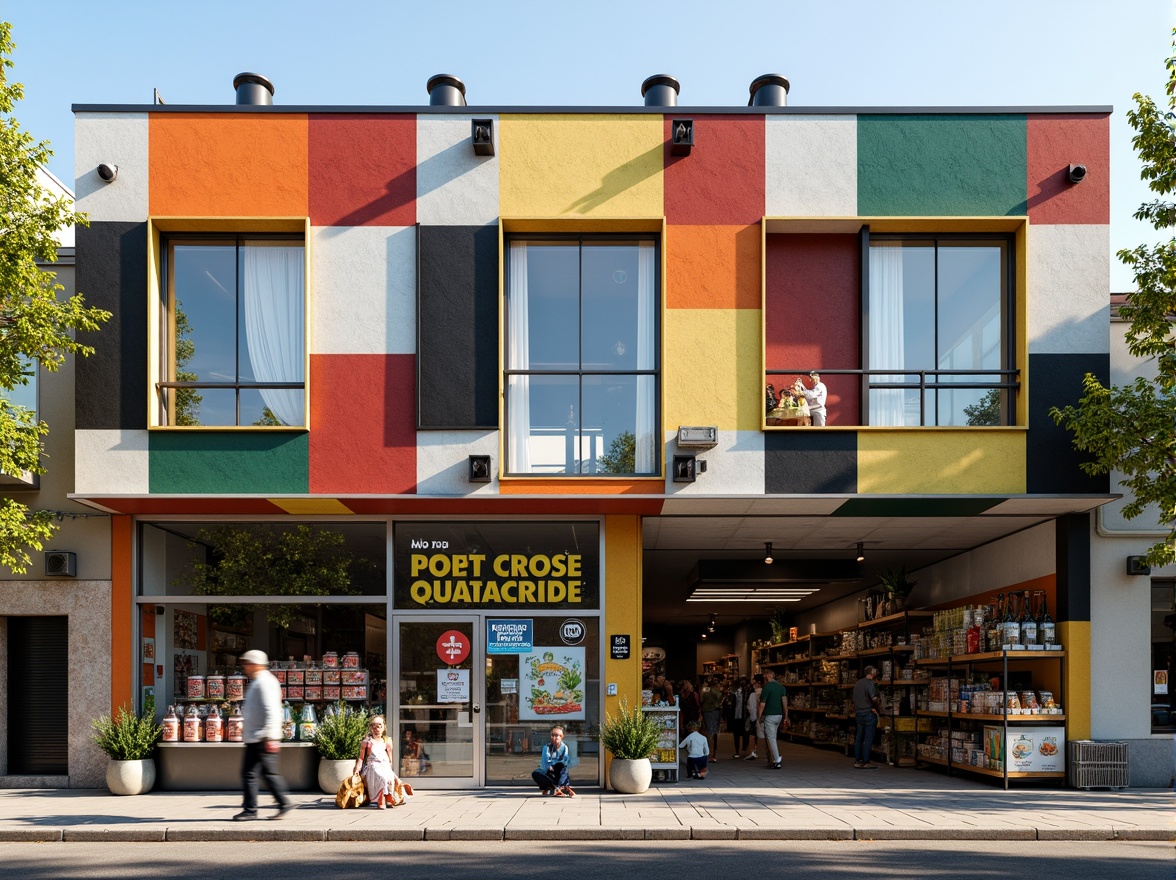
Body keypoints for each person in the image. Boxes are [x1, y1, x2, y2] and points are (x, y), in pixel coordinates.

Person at [234, 649, 293, 821]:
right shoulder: (259, 681)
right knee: (258, 773)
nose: (245, 666)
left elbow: (272, 710)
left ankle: (253, 809)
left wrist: (270, 735)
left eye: (248, 663)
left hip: (262, 737)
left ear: (256, 664)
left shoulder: (265, 682)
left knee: (257, 774)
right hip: (257, 736)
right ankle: (278, 804)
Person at [355, 715, 407, 808]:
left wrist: (390, 770)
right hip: (372, 766)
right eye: (374, 726)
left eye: (379, 725)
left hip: (384, 766)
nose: (377, 728)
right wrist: (357, 769)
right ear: (370, 728)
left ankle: (386, 798)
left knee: (390, 777)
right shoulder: (367, 742)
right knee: (381, 777)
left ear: (384, 727)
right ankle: (383, 798)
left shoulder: (387, 741)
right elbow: (361, 758)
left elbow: (389, 758)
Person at [757, 668, 790, 769]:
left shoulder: (767, 687)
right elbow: (785, 703)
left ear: (767, 675)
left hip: (770, 716)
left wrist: (758, 718)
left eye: (764, 676)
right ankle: (774, 758)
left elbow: (762, 704)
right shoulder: (781, 687)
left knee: (771, 739)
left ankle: (777, 759)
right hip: (779, 716)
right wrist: (786, 716)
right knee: (773, 737)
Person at [531, 725, 574, 797]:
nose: (556, 737)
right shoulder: (547, 747)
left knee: (561, 767)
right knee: (535, 774)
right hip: (548, 771)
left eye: (558, 735)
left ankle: (559, 787)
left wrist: (555, 764)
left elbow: (565, 761)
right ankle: (558, 787)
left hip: (559, 772)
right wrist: (552, 766)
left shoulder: (564, 747)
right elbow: (545, 763)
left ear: (562, 737)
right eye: (553, 735)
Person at [853, 665, 881, 769]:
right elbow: (874, 698)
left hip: (858, 713)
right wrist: (878, 709)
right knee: (868, 738)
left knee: (859, 737)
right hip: (868, 713)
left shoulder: (858, 683)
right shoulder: (869, 683)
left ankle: (857, 761)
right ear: (871, 672)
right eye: (874, 670)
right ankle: (866, 761)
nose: (876, 672)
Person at [700, 676, 724, 760]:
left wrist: (716, 705)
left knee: (710, 732)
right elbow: (720, 696)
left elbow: (701, 699)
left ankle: (711, 753)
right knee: (712, 731)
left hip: (709, 711)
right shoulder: (713, 690)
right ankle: (712, 752)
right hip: (713, 711)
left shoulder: (707, 689)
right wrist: (717, 705)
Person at [728, 676, 750, 758]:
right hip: (736, 716)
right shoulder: (734, 691)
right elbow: (731, 702)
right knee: (736, 734)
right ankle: (737, 751)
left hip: (744, 715)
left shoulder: (748, 691)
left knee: (745, 734)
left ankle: (744, 750)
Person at [743, 674, 762, 761]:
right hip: (763, 716)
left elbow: (750, 707)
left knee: (752, 734)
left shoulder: (753, 694)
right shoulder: (764, 691)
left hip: (754, 716)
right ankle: (755, 750)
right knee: (758, 734)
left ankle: (752, 751)